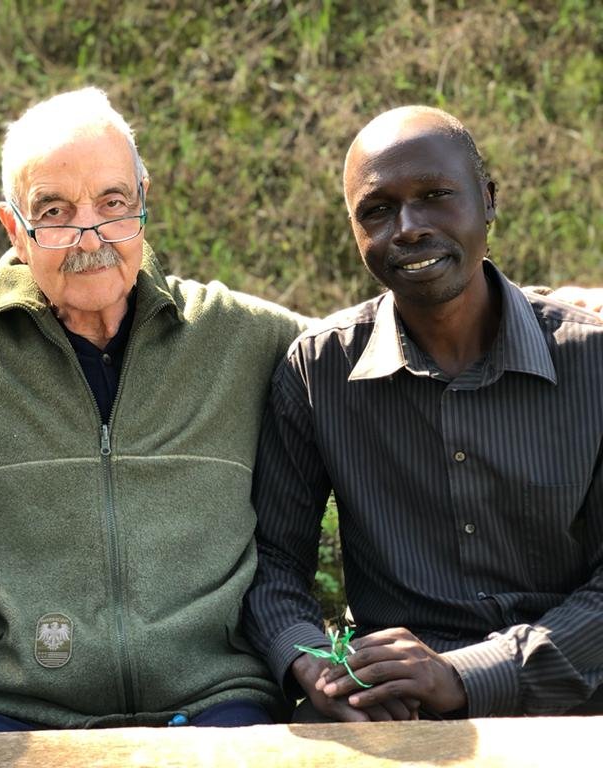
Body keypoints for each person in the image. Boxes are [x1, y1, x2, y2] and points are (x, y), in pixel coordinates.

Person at [0, 87, 309, 731]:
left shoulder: (239, 337)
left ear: (143, 204)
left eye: (113, 204)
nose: (90, 234)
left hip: (212, 699)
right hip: (4, 708)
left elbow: (366, 359)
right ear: (14, 226)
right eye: (55, 211)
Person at [245, 105, 603, 722]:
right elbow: (272, 562)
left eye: (436, 196)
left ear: (488, 201)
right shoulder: (318, 372)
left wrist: (467, 674)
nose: (407, 228)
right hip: (395, 708)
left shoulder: (591, 361)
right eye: (377, 210)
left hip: (573, 698)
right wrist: (317, 665)